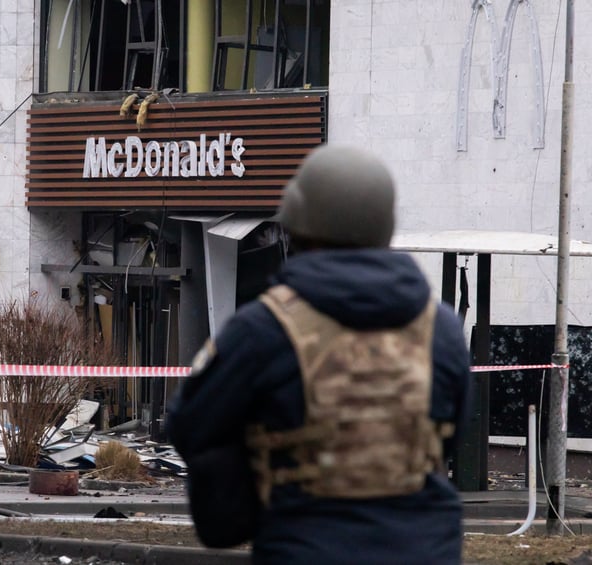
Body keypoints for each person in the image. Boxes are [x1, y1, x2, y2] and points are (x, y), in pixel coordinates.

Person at [167, 145, 472, 564]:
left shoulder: (263, 328)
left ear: (298, 224)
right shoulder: (442, 329)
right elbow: (451, 433)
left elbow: (190, 424)